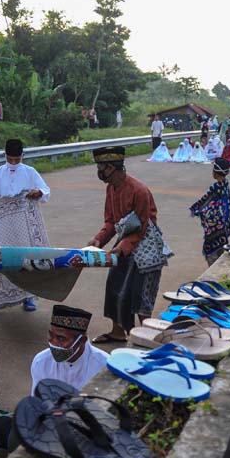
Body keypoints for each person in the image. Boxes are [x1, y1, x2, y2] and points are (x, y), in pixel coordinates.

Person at [87, 146, 163, 344]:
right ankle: (118, 332)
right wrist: (99, 239)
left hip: (147, 246)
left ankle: (149, 338)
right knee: (114, 286)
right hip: (124, 242)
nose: (99, 171)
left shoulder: (139, 191)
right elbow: (111, 220)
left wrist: (121, 248)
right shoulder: (111, 188)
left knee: (140, 295)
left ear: (113, 167)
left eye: (102, 167)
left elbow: (143, 226)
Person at [0, 138, 50, 312]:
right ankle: (5, 295)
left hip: (23, 224)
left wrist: (38, 192)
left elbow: (45, 190)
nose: (13, 163)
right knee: (6, 260)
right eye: (10, 159)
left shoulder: (30, 172)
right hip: (3, 225)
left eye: (17, 160)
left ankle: (28, 298)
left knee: (27, 260)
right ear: (5, 156)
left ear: (22, 156)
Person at [30, 305, 108, 394]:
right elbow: (38, 401)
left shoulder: (103, 366)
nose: (53, 343)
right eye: (51, 335)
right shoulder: (41, 362)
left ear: (81, 341)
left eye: (61, 338)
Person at [190, 158, 230, 266]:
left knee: (212, 254)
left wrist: (196, 209)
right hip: (224, 224)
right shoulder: (226, 184)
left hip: (215, 227)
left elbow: (205, 202)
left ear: (215, 172)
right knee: (221, 249)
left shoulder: (215, 187)